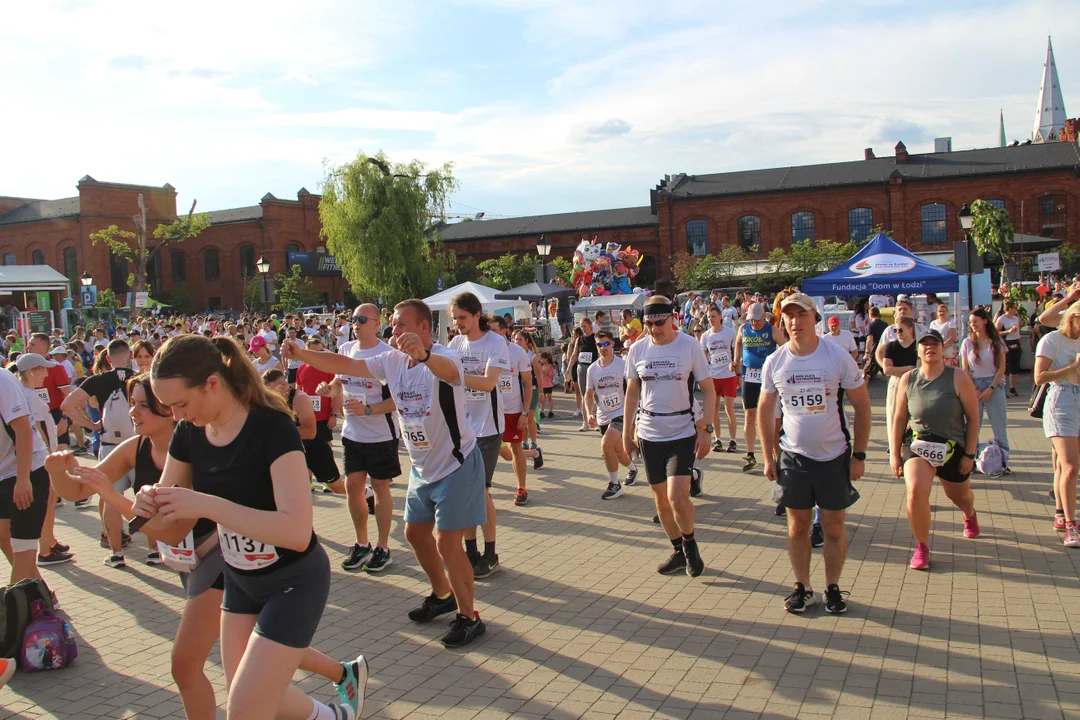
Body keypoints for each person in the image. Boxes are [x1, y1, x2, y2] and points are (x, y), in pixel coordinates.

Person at [131, 335, 363, 718]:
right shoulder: (189, 433)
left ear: (212, 383)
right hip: (240, 581)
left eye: (181, 404)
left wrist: (207, 505)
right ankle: (334, 716)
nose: (175, 415)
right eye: (168, 406)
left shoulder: (272, 427)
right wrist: (144, 503)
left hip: (294, 580)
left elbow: (296, 530)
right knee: (250, 695)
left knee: (244, 708)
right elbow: (171, 530)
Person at [282, 300, 488, 647]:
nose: (395, 331)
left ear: (424, 328)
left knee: (447, 542)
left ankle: (470, 616)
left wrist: (423, 356)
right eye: (392, 324)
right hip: (423, 468)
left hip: (456, 463)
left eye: (403, 325)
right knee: (414, 535)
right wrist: (303, 354)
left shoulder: (443, 357)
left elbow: (451, 374)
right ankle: (443, 595)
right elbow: (345, 364)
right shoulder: (390, 361)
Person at [758, 293, 871, 614]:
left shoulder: (836, 357)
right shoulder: (775, 361)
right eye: (789, 316)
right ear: (783, 322)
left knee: (833, 526)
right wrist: (768, 457)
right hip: (793, 458)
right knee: (797, 526)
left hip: (835, 456)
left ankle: (832, 587)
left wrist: (859, 455)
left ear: (815, 319)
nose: (795, 321)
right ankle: (803, 587)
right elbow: (764, 413)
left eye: (801, 315)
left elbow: (863, 406)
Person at [623, 296, 717, 577]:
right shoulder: (637, 350)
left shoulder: (689, 345)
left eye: (659, 323)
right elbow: (631, 393)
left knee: (677, 497)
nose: (654, 329)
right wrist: (628, 433)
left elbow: (709, 390)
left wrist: (707, 429)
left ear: (673, 318)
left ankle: (690, 545)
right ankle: (677, 550)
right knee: (660, 500)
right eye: (649, 323)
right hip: (650, 433)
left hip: (682, 431)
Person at [890, 329, 981, 570]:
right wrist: (894, 454)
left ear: (943, 350)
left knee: (958, 496)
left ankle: (969, 513)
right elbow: (899, 418)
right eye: (924, 344)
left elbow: (973, 418)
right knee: (916, 491)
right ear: (918, 351)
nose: (929, 347)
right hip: (919, 443)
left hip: (952, 445)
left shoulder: (957, 377)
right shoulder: (909, 379)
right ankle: (921, 547)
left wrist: (970, 455)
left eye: (935, 344)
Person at [448, 294, 510, 583]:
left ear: (476, 315)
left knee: (480, 492)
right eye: (454, 318)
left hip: (488, 428)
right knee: (464, 492)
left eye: (462, 317)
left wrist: (456, 373)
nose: (457, 323)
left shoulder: (495, 343)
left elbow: (486, 384)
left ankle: (491, 553)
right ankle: (470, 551)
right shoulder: (455, 344)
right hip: (461, 428)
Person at [62, 339, 137, 567]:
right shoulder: (139, 377)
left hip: (109, 446)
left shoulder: (98, 380)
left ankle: (116, 553)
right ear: (130, 355)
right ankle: (155, 551)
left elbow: (68, 405)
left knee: (111, 499)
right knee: (145, 496)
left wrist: (92, 425)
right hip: (137, 444)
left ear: (108, 358)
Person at [13, 355, 72, 567]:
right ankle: (45, 549)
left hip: (40, 458)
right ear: (31, 372)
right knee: (47, 503)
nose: (46, 374)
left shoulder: (24, 394)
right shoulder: (28, 395)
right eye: (42, 370)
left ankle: (50, 541)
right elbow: (37, 430)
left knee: (50, 501)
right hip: (41, 460)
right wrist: (49, 455)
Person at [0, 356, 51, 584]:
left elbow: (23, 431)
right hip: (3, 475)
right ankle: (41, 597)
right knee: (4, 538)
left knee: (24, 548)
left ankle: (13, 611)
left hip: (27, 472)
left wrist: (22, 480)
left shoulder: (3, 380)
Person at [1034, 301, 1080, 547]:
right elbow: (1039, 376)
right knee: (1070, 467)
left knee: (1066, 467)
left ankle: (1061, 513)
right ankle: (1071, 526)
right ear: (1072, 318)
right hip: (1061, 400)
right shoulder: (1052, 340)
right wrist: (1072, 367)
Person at [495, 321, 543, 524]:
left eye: (495, 330)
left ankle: (521, 487)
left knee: (514, 450)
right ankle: (534, 453)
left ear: (504, 331)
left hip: (513, 410)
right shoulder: (482, 351)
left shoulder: (517, 352)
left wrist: (525, 411)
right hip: (490, 412)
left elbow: (527, 382)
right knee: (503, 454)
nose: (491, 334)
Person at [584, 330, 638, 499]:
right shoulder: (592, 369)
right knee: (617, 451)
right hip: (603, 415)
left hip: (621, 412)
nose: (603, 348)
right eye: (599, 344)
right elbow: (589, 394)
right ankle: (633, 470)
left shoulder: (622, 365)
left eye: (606, 344)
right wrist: (589, 414)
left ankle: (614, 484)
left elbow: (633, 387)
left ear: (613, 344)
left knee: (606, 444)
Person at [733, 302, 786, 472]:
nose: (754, 323)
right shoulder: (744, 329)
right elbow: (738, 343)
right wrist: (736, 361)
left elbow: (784, 347)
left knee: (770, 415)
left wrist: (779, 366)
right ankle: (750, 454)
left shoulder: (771, 330)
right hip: (749, 375)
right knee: (749, 414)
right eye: (751, 320)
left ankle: (773, 452)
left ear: (764, 317)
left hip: (767, 377)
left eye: (757, 320)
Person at [289, 336, 345, 496]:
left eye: (320, 351)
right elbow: (297, 390)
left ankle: (329, 480)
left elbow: (336, 393)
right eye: (313, 352)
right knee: (305, 449)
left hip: (324, 416)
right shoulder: (301, 369)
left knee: (326, 448)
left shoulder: (328, 369)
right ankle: (309, 479)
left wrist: (334, 414)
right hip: (306, 418)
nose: (318, 355)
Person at [960, 308, 1010, 469]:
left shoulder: (996, 341)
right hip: (974, 384)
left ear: (984, 321)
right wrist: (974, 388)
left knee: (999, 425)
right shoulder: (967, 342)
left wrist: (991, 388)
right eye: (970, 322)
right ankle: (971, 461)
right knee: (974, 424)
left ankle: (1003, 461)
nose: (973, 324)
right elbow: (965, 368)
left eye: (975, 321)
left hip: (994, 384)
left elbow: (1002, 367)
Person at [700, 304, 739, 453]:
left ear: (720, 317)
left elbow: (736, 351)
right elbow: (704, 359)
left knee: (729, 408)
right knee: (715, 409)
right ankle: (717, 439)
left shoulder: (730, 333)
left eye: (713, 316)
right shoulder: (705, 336)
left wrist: (735, 366)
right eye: (709, 317)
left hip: (728, 375)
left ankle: (733, 440)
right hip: (713, 376)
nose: (711, 319)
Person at [27, 333, 73, 452]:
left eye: (32, 344)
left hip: (54, 414)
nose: (28, 347)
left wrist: (64, 418)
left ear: (42, 349)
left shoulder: (55, 367)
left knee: (60, 451)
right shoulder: (24, 366)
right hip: (33, 415)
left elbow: (69, 395)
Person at [882, 317, 919, 453]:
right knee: (893, 416)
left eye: (900, 329)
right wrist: (908, 367)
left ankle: (912, 450)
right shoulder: (891, 346)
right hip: (896, 383)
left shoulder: (917, 346)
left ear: (910, 329)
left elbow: (919, 368)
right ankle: (894, 451)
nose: (898, 332)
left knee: (914, 417)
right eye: (895, 330)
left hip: (913, 383)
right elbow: (887, 370)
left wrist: (898, 369)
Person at [512, 330, 544, 454]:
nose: (517, 342)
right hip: (518, 390)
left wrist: (541, 393)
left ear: (526, 342)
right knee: (521, 416)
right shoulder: (511, 354)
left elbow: (539, 375)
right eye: (515, 339)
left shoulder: (532, 356)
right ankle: (524, 441)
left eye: (520, 339)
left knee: (529, 417)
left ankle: (534, 441)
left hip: (532, 390)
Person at [568, 318, 599, 431]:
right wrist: (568, 368)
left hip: (594, 368)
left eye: (584, 326)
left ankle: (598, 421)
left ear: (590, 325)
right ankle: (585, 421)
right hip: (582, 368)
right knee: (584, 395)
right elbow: (574, 355)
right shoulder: (579, 340)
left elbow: (600, 352)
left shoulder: (596, 337)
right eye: (581, 326)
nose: (583, 328)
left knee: (596, 395)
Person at [995, 300, 1023, 397]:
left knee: (1015, 365)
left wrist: (1020, 345)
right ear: (1009, 309)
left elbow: (1020, 328)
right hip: (1006, 342)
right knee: (1005, 365)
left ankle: (1013, 388)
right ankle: (1003, 388)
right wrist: (1008, 331)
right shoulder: (1001, 319)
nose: (1016, 310)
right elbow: (996, 332)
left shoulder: (1015, 318)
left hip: (1016, 341)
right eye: (1015, 308)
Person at [863, 306, 889, 381]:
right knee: (881, 363)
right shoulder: (885, 324)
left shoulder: (871, 325)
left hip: (874, 349)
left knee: (868, 368)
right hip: (884, 348)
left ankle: (866, 378)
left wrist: (867, 353)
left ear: (870, 315)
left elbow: (869, 339)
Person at [539, 352, 556, 418]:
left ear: (546, 359)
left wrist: (540, 367)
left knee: (549, 398)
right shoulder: (543, 366)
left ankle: (551, 411)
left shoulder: (550, 366)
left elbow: (544, 374)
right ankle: (542, 411)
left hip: (548, 384)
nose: (541, 360)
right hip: (542, 384)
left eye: (542, 359)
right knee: (542, 398)